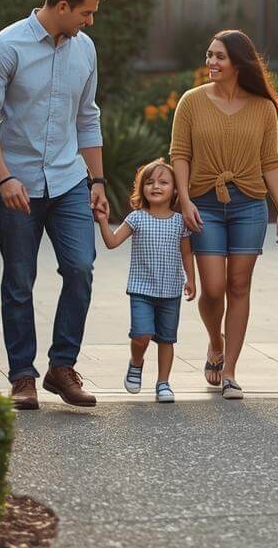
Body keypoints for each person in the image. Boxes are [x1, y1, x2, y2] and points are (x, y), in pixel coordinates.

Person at [0, 0, 111, 410]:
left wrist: (98, 180)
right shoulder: (5, 47)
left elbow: (87, 116)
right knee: (19, 279)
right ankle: (22, 376)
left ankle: (61, 367)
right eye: (86, 13)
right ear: (62, 6)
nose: (90, 21)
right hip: (17, 184)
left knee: (80, 268)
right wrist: (4, 176)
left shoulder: (84, 49)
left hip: (69, 179)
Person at [169, 29, 278, 400]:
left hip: (249, 205)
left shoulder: (263, 108)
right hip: (204, 204)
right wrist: (185, 200)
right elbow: (180, 155)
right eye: (209, 55)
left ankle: (230, 372)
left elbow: (270, 161)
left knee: (239, 285)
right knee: (213, 288)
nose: (211, 62)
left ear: (239, 63)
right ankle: (215, 342)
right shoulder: (191, 102)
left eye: (219, 56)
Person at [94, 158, 196, 404]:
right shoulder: (137, 218)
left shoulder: (180, 221)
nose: (156, 186)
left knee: (167, 339)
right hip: (141, 290)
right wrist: (103, 221)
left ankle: (163, 383)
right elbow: (112, 242)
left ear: (175, 190)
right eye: (149, 182)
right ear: (142, 189)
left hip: (171, 291)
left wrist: (191, 279)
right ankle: (136, 362)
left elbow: (186, 253)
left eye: (163, 182)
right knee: (141, 335)